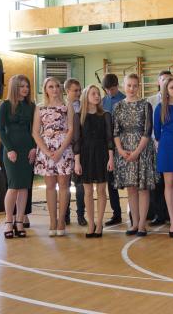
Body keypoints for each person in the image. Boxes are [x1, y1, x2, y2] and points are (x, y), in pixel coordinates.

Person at [113, 73, 157, 237]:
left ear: (139, 87)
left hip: (142, 150)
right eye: (129, 85)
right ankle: (134, 223)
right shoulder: (118, 106)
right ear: (123, 86)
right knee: (131, 188)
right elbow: (115, 131)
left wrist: (137, 152)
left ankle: (142, 224)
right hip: (124, 151)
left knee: (142, 188)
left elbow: (147, 131)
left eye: (135, 85)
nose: (132, 89)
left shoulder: (146, 105)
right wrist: (120, 150)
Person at [32, 77, 75, 236]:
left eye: (57, 86)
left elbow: (71, 129)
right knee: (50, 186)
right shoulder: (40, 107)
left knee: (64, 185)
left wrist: (60, 150)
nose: (55, 89)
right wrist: (46, 151)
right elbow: (35, 132)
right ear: (45, 89)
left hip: (64, 149)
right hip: (46, 150)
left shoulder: (67, 106)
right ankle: (52, 221)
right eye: (51, 86)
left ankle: (61, 220)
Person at [0, 75, 36, 238]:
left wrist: (34, 147)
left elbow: (35, 129)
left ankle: (19, 221)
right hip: (11, 150)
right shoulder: (5, 105)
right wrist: (10, 149)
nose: (25, 89)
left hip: (28, 149)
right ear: (14, 87)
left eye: (27, 86)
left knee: (24, 187)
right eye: (21, 86)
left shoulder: (31, 106)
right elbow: (0, 129)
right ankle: (8, 221)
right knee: (13, 186)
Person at [73, 85, 114, 238]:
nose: (97, 96)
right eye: (93, 93)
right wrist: (77, 162)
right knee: (88, 192)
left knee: (102, 191)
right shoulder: (78, 116)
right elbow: (76, 140)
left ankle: (99, 223)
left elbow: (109, 139)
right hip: (85, 156)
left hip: (102, 155)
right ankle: (91, 223)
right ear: (86, 96)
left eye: (98, 93)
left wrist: (111, 158)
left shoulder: (106, 115)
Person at [154, 76, 173, 238]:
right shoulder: (160, 107)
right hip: (166, 147)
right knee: (169, 183)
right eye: (172, 87)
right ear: (166, 90)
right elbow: (157, 132)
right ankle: (172, 221)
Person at [147, 70, 172, 227]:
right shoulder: (150, 101)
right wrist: (155, 141)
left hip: (172, 146)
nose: (166, 82)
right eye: (163, 80)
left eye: (169, 80)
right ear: (158, 82)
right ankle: (159, 214)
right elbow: (149, 125)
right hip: (155, 147)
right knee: (157, 183)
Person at [102, 74, 125, 226]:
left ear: (117, 86)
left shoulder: (124, 100)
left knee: (129, 181)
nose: (110, 92)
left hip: (123, 144)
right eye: (107, 90)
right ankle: (116, 214)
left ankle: (135, 213)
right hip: (107, 146)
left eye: (112, 89)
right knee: (111, 182)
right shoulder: (102, 101)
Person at [64, 78, 86, 227]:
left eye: (80, 90)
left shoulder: (84, 106)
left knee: (80, 184)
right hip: (65, 149)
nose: (78, 93)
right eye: (75, 90)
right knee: (64, 184)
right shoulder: (62, 106)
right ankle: (65, 214)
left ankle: (81, 215)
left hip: (80, 149)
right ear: (67, 91)